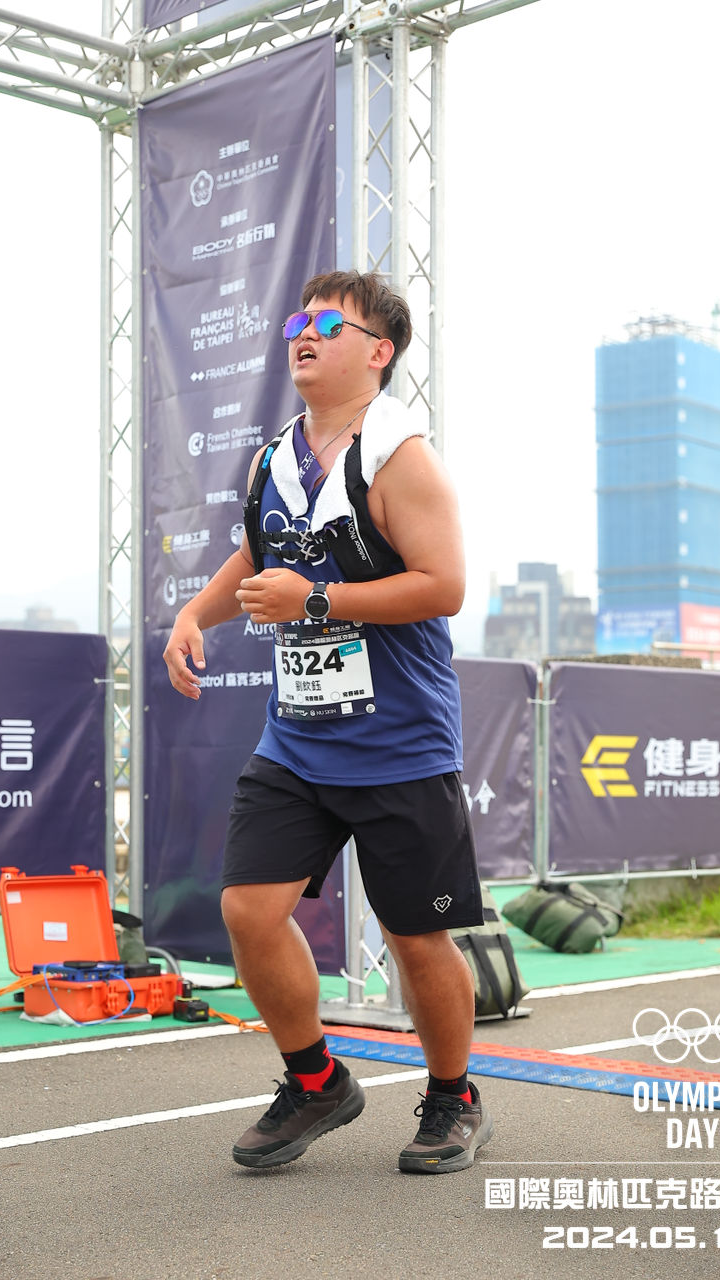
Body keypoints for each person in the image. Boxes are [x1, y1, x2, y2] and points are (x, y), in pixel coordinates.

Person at [163, 269, 491, 1173]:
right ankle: (315, 1082)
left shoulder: (400, 457)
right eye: (297, 322)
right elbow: (255, 554)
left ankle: (453, 1097)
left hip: (399, 743)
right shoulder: (274, 457)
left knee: (414, 936)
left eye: (328, 324)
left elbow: (443, 586)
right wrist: (196, 614)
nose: (303, 334)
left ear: (378, 351)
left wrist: (314, 599)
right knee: (247, 911)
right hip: (298, 740)